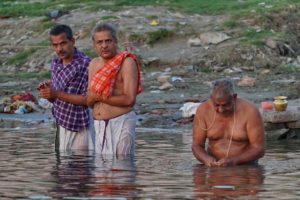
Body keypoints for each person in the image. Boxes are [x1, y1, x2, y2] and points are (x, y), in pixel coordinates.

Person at [87, 23, 142, 155]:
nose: (104, 45)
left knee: (121, 169)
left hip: (121, 122)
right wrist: (93, 98)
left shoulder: (127, 62)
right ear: (94, 45)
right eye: (99, 42)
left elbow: (129, 99)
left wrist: (99, 97)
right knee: (101, 172)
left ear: (116, 42)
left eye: (108, 41)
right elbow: (89, 100)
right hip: (98, 125)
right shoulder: (93, 64)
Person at [38, 24, 92, 151]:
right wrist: (48, 93)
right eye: (55, 45)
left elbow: (87, 101)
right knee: (62, 167)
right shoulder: (56, 63)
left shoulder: (85, 64)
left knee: (81, 166)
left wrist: (56, 93)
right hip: (61, 123)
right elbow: (56, 100)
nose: (59, 49)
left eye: (63, 44)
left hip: (80, 126)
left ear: (72, 41)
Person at [192, 78, 265, 167]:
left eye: (225, 105)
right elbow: (197, 145)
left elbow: (259, 149)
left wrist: (235, 161)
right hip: (214, 169)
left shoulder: (250, 111)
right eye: (216, 105)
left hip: (245, 167)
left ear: (234, 97)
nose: (221, 110)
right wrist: (206, 159)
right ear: (211, 99)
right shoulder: (203, 110)